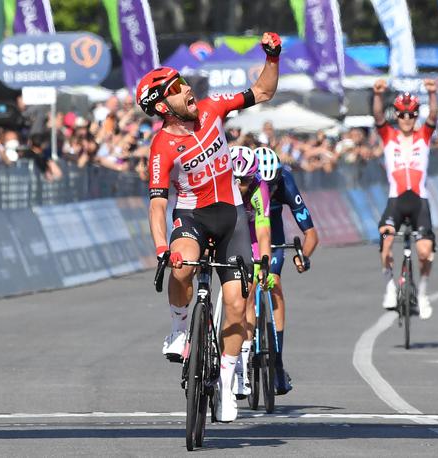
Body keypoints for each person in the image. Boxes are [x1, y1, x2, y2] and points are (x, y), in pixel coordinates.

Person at [140, 31, 281, 423]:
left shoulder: (212, 108)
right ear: (162, 106)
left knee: (237, 303)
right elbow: (157, 205)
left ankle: (228, 381)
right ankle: (179, 328)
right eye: (175, 88)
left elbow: (263, 92)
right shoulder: (162, 146)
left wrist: (272, 57)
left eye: (182, 82)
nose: (186, 89)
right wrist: (159, 248)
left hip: (231, 216)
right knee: (182, 264)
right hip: (192, 218)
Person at [372, 78, 438, 320]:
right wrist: (378, 95)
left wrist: (432, 94)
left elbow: (433, 115)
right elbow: (378, 116)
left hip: (419, 200)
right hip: (396, 200)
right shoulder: (389, 135)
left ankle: (422, 293)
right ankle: (390, 287)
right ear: (397, 116)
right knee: (386, 238)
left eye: (411, 115)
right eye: (402, 115)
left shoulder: (424, 135)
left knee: (424, 251)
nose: (407, 119)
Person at [255, 147, 318, 395]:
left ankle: (277, 362)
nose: (267, 191)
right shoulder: (241, 180)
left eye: (272, 185)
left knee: (274, 282)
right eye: (264, 184)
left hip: (273, 235)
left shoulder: (286, 183)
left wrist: (303, 256)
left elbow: (311, 234)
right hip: (247, 231)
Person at [228, 145, 274, 399]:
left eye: (244, 180)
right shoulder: (224, 184)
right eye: (235, 179)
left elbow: (263, 228)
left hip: (252, 237)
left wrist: (264, 262)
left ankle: (241, 367)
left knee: (248, 295)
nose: (239, 185)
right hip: (229, 231)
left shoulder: (259, 188)